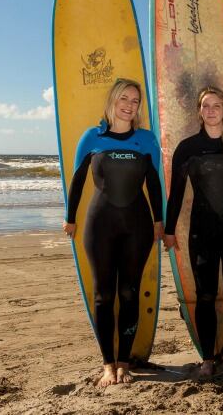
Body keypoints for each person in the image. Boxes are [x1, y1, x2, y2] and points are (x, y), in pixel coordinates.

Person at [63, 78, 164, 386]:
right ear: (112, 101)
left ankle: (124, 363)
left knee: (129, 292)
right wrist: (70, 218)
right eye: (124, 98)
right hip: (99, 225)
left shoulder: (146, 140)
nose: (129, 104)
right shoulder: (91, 137)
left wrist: (160, 222)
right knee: (104, 295)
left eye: (135, 101)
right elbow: (78, 180)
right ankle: (108, 363)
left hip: (138, 226)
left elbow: (155, 185)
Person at [163, 86, 223, 378]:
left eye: (217, 105)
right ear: (199, 112)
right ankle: (207, 358)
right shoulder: (187, 148)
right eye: (206, 105)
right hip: (201, 232)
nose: (211, 110)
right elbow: (176, 194)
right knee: (204, 295)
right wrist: (169, 230)